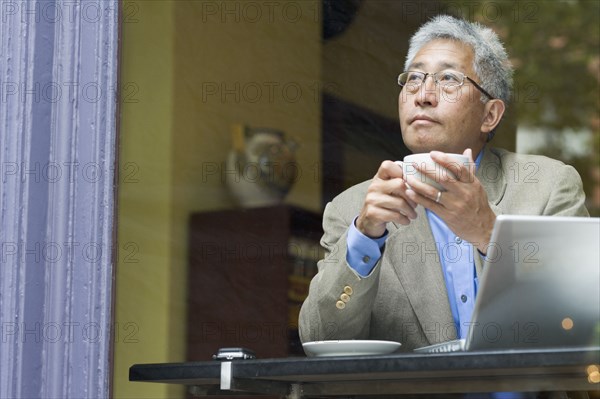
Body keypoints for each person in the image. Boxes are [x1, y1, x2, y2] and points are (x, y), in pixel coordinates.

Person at [299, 15, 588, 353]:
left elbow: (579, 320)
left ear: (490, 115)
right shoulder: (353, 209)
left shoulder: (547, 185)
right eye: (414, 78)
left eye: (448, 78)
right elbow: (319, 340)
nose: (423, 95)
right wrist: (365, 238)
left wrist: (489, 233)